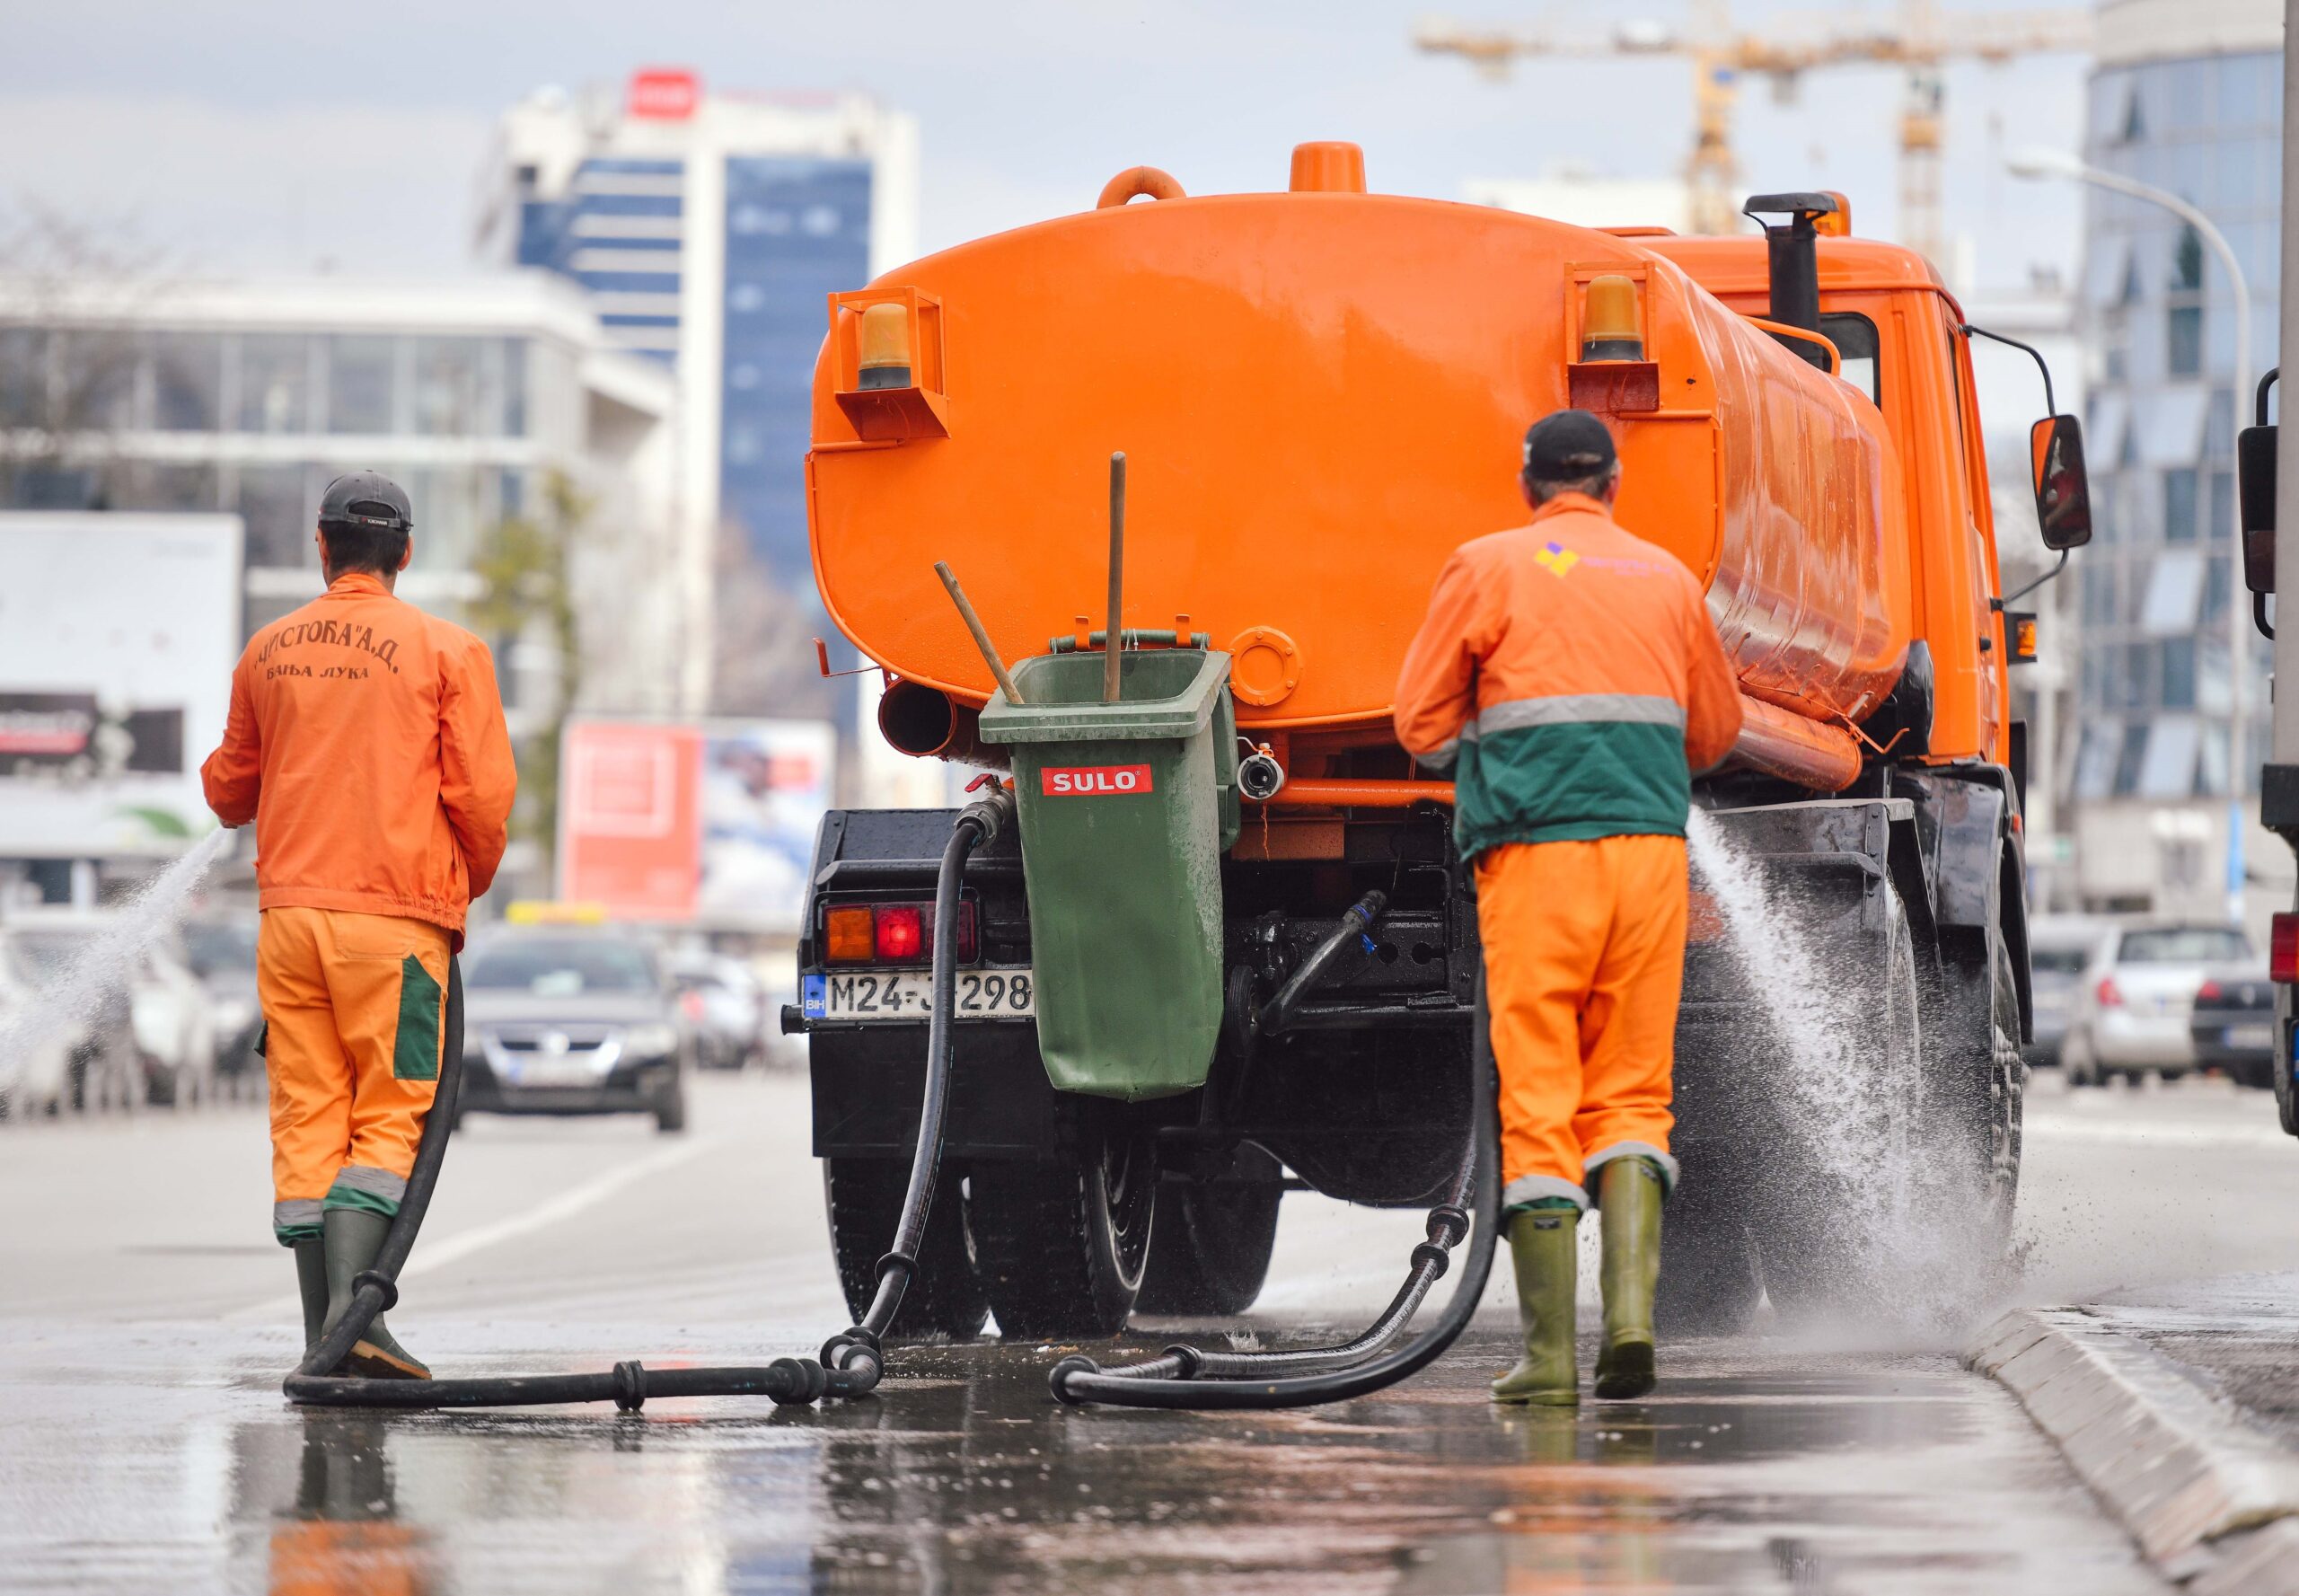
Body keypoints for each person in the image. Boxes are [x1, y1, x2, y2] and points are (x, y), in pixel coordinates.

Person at [1393, 410, 1741, 1405]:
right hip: (1648, 861)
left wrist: (1497, 752)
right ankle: (1630, 1327)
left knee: (1539, 1099)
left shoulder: (1486, 565)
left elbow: (1418, 722)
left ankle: (1548, 1362)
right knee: (1633, 1094)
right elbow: (1711, 733)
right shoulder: (1668, 579)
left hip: (1534, 861)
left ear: (1527, 484)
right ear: (1615, 482)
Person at [201, 472, 516, 1379]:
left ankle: (320, 1339)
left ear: (321, 543)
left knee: (308, 1115)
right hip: (394, 925)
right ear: (405, 553)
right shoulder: (447, 651)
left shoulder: (269, 649)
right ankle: (357, 1326)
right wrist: (464, 884)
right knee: (390, 1116)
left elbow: (230, 790)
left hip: (289, 921)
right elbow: (481, 797)